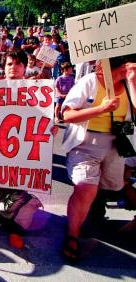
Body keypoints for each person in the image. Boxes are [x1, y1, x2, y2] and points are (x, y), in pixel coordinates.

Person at [61, 55, 136, 262]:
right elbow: (66, 115)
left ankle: (92, 215)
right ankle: (72, 234)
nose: (97, 68)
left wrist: (132, 82)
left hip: (117, 145)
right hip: (86, 144)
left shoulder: (131, 84)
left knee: (108, 187)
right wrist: (100, 109)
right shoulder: (89, 82)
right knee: (85, 185)